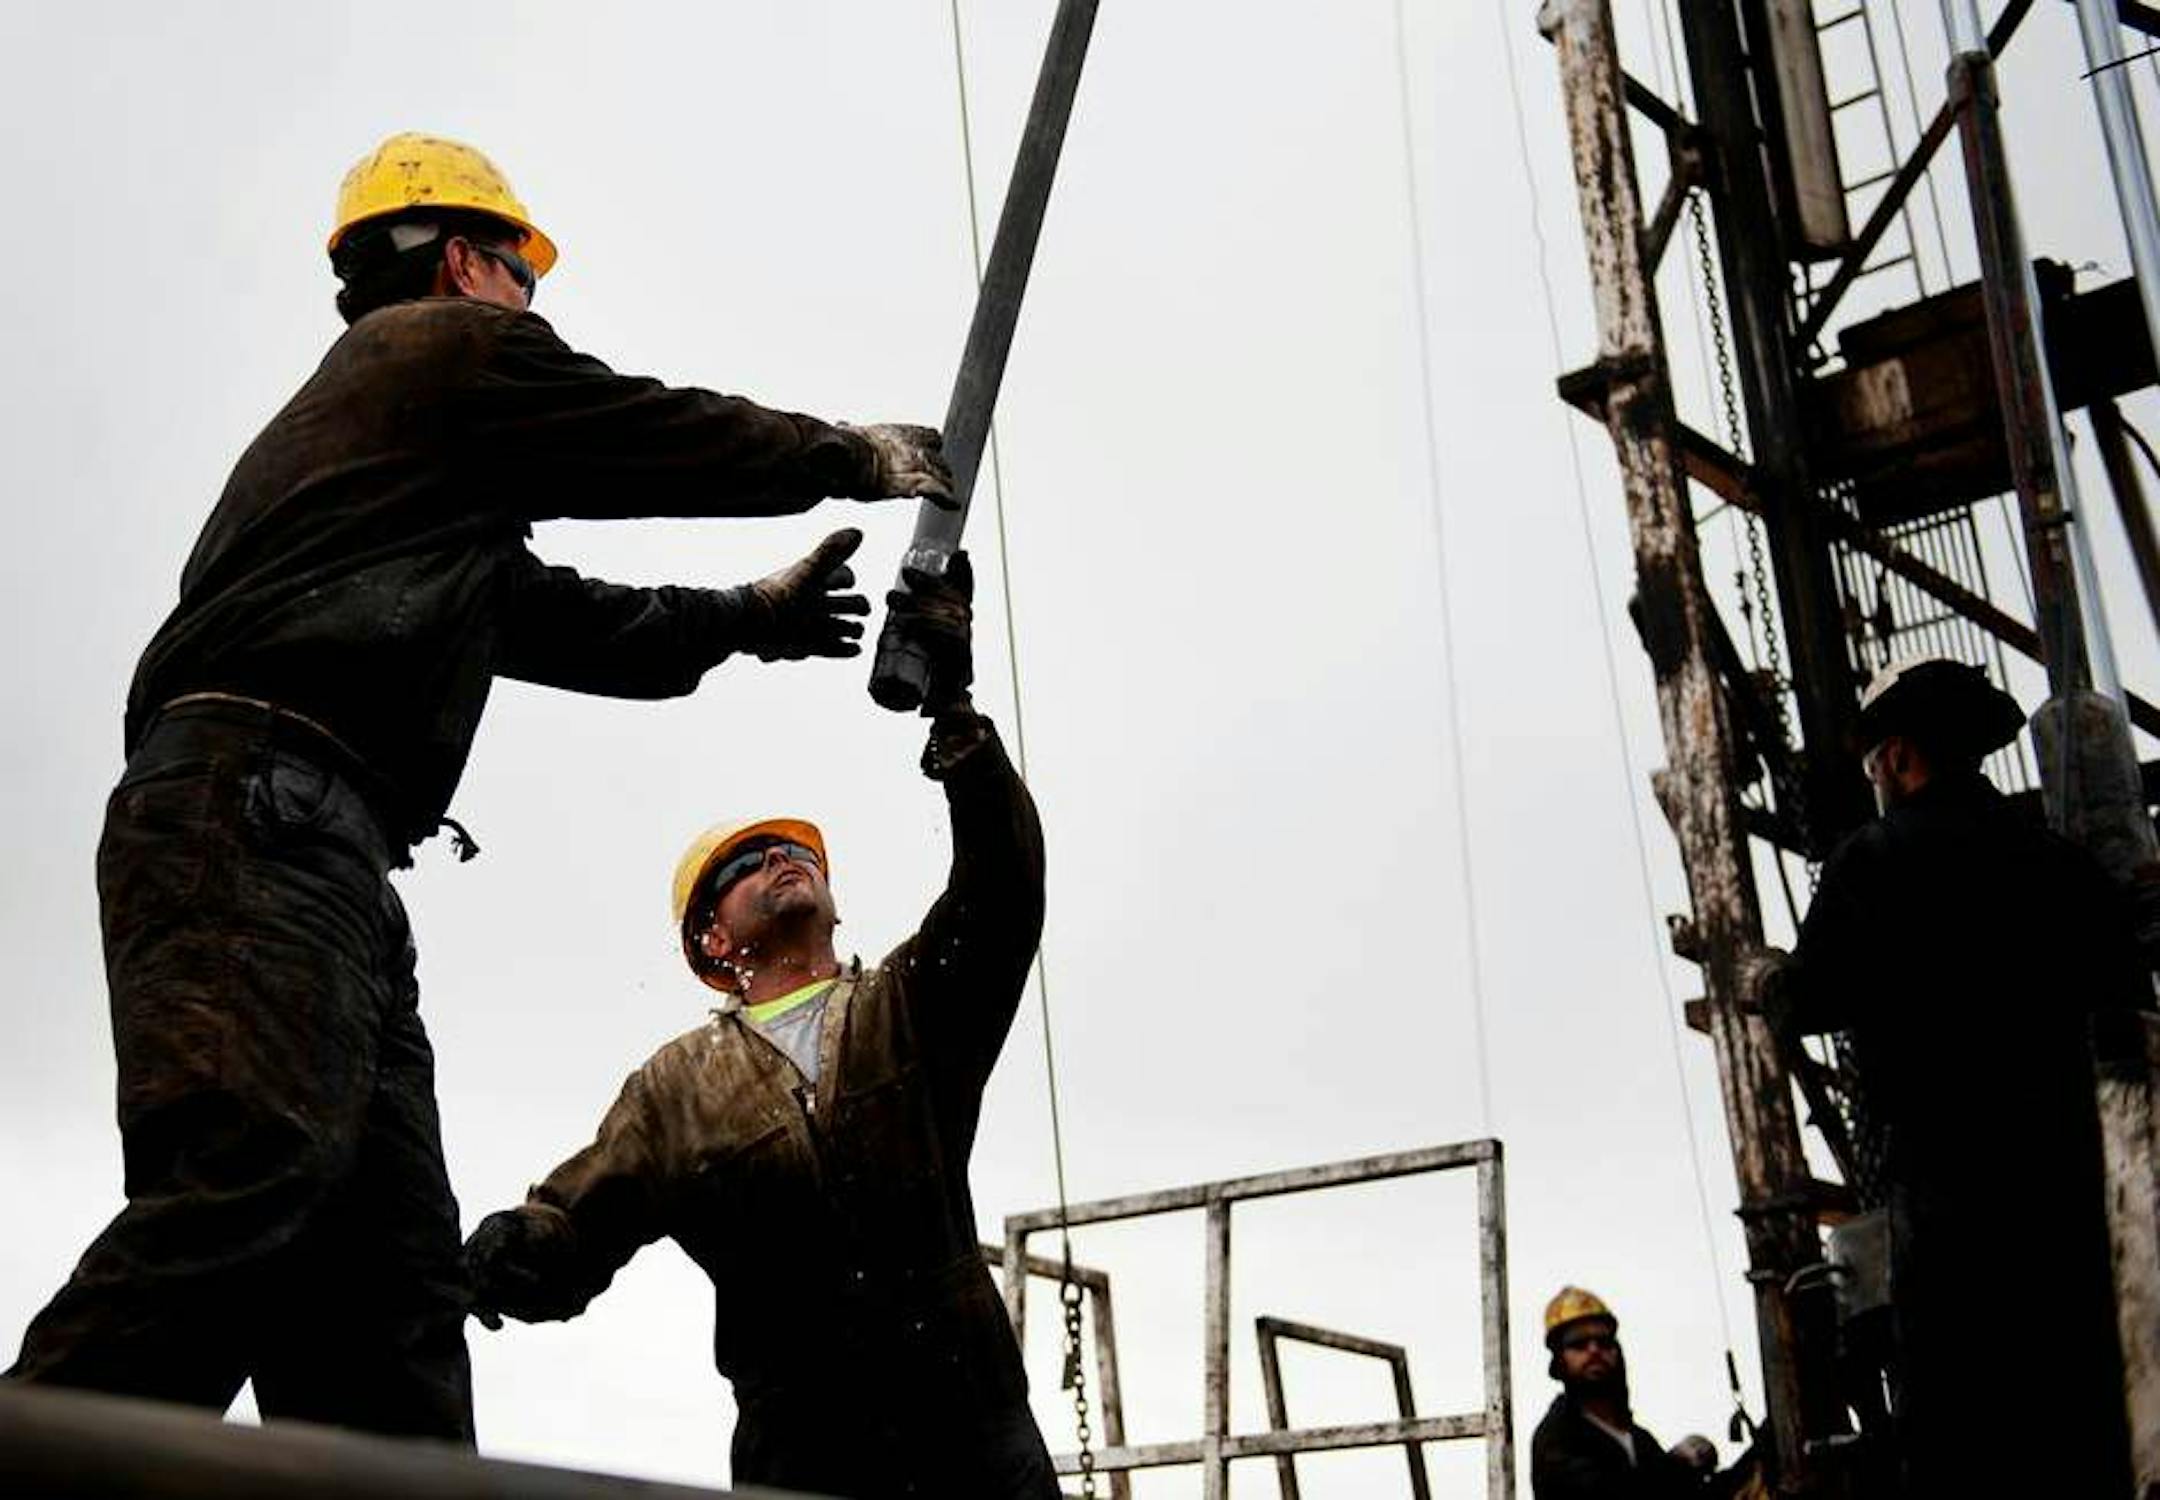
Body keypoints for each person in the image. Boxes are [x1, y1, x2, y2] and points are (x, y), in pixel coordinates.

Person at [7, 131, 952, 1444]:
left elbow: (547, 615)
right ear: (465, 260)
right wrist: (846, 454)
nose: (534, 304)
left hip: (311, 843)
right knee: (248, 1176)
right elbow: (644, 432)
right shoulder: (439, 352)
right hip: (251, 813)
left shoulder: (396, 469)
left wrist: (743, 616)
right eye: (524, 274)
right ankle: (47, 1450)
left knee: (385, 1290)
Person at [463, 553, 1057, 1497]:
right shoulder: (676, 1088)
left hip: (973, 1442)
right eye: (747, 865)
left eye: (792, 850)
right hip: (805, 1452)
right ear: (710, 938)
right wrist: (517, 1250)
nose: (781, 858)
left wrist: (958, 712)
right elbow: (576, 1228)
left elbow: (1001, 892)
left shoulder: (909, 1007)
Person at [1751, 655, 2145, 1494]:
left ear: (1896, 757)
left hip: (1951, 1191)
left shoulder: (1879, 858)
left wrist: (1768, 981)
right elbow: (2124, 1000)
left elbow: (1812, 998)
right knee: (2080, 1413)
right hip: (2073, 1184)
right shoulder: (2060, 865)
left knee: (1967, 1425)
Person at [1530, 1287, 1702, 1498]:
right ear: (1559, 1360)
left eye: (1604, 1342)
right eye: (1579, 1344)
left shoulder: (1639, 1440)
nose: (1594, 1350)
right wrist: (1680, 1463)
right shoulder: (1557, 1438)